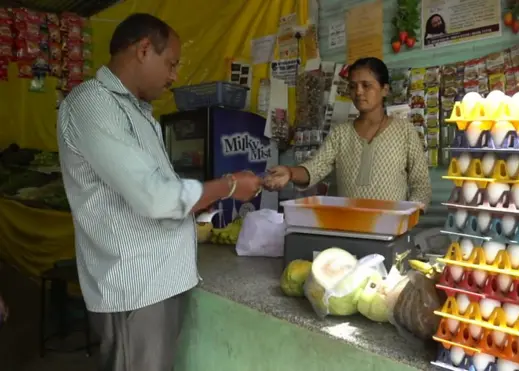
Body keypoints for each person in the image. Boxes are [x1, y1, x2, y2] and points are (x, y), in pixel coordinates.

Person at [57, 13, 262, 371]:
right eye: (171, 64)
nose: (174, 76)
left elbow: (157, 192)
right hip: (134, 288)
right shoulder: (93, 104)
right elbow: (155, 197)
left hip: (158, 282)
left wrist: (199, 203)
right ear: (143, 50)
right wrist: (228, 186)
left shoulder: (136, 111)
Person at [265, 57, 432, 208]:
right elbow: (314, 168)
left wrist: (408, 218)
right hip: (348, 228)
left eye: (366, 85)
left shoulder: (404, 131)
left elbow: (421, 185)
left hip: (390, 232)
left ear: (384, 90)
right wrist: (290, 172)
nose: (358, 92)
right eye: (353, 86)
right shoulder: (341, 133)